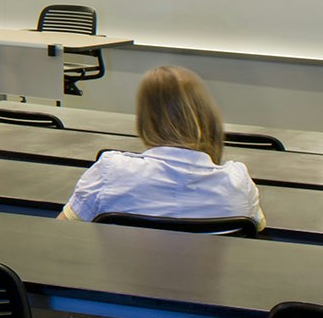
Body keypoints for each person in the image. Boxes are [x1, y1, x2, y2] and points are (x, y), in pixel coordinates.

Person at [60, 66, 265, 228]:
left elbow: (60, 233)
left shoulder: (110, 171)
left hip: (121, 271)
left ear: (145, 119)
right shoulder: (237, 182)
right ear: (206, 114)